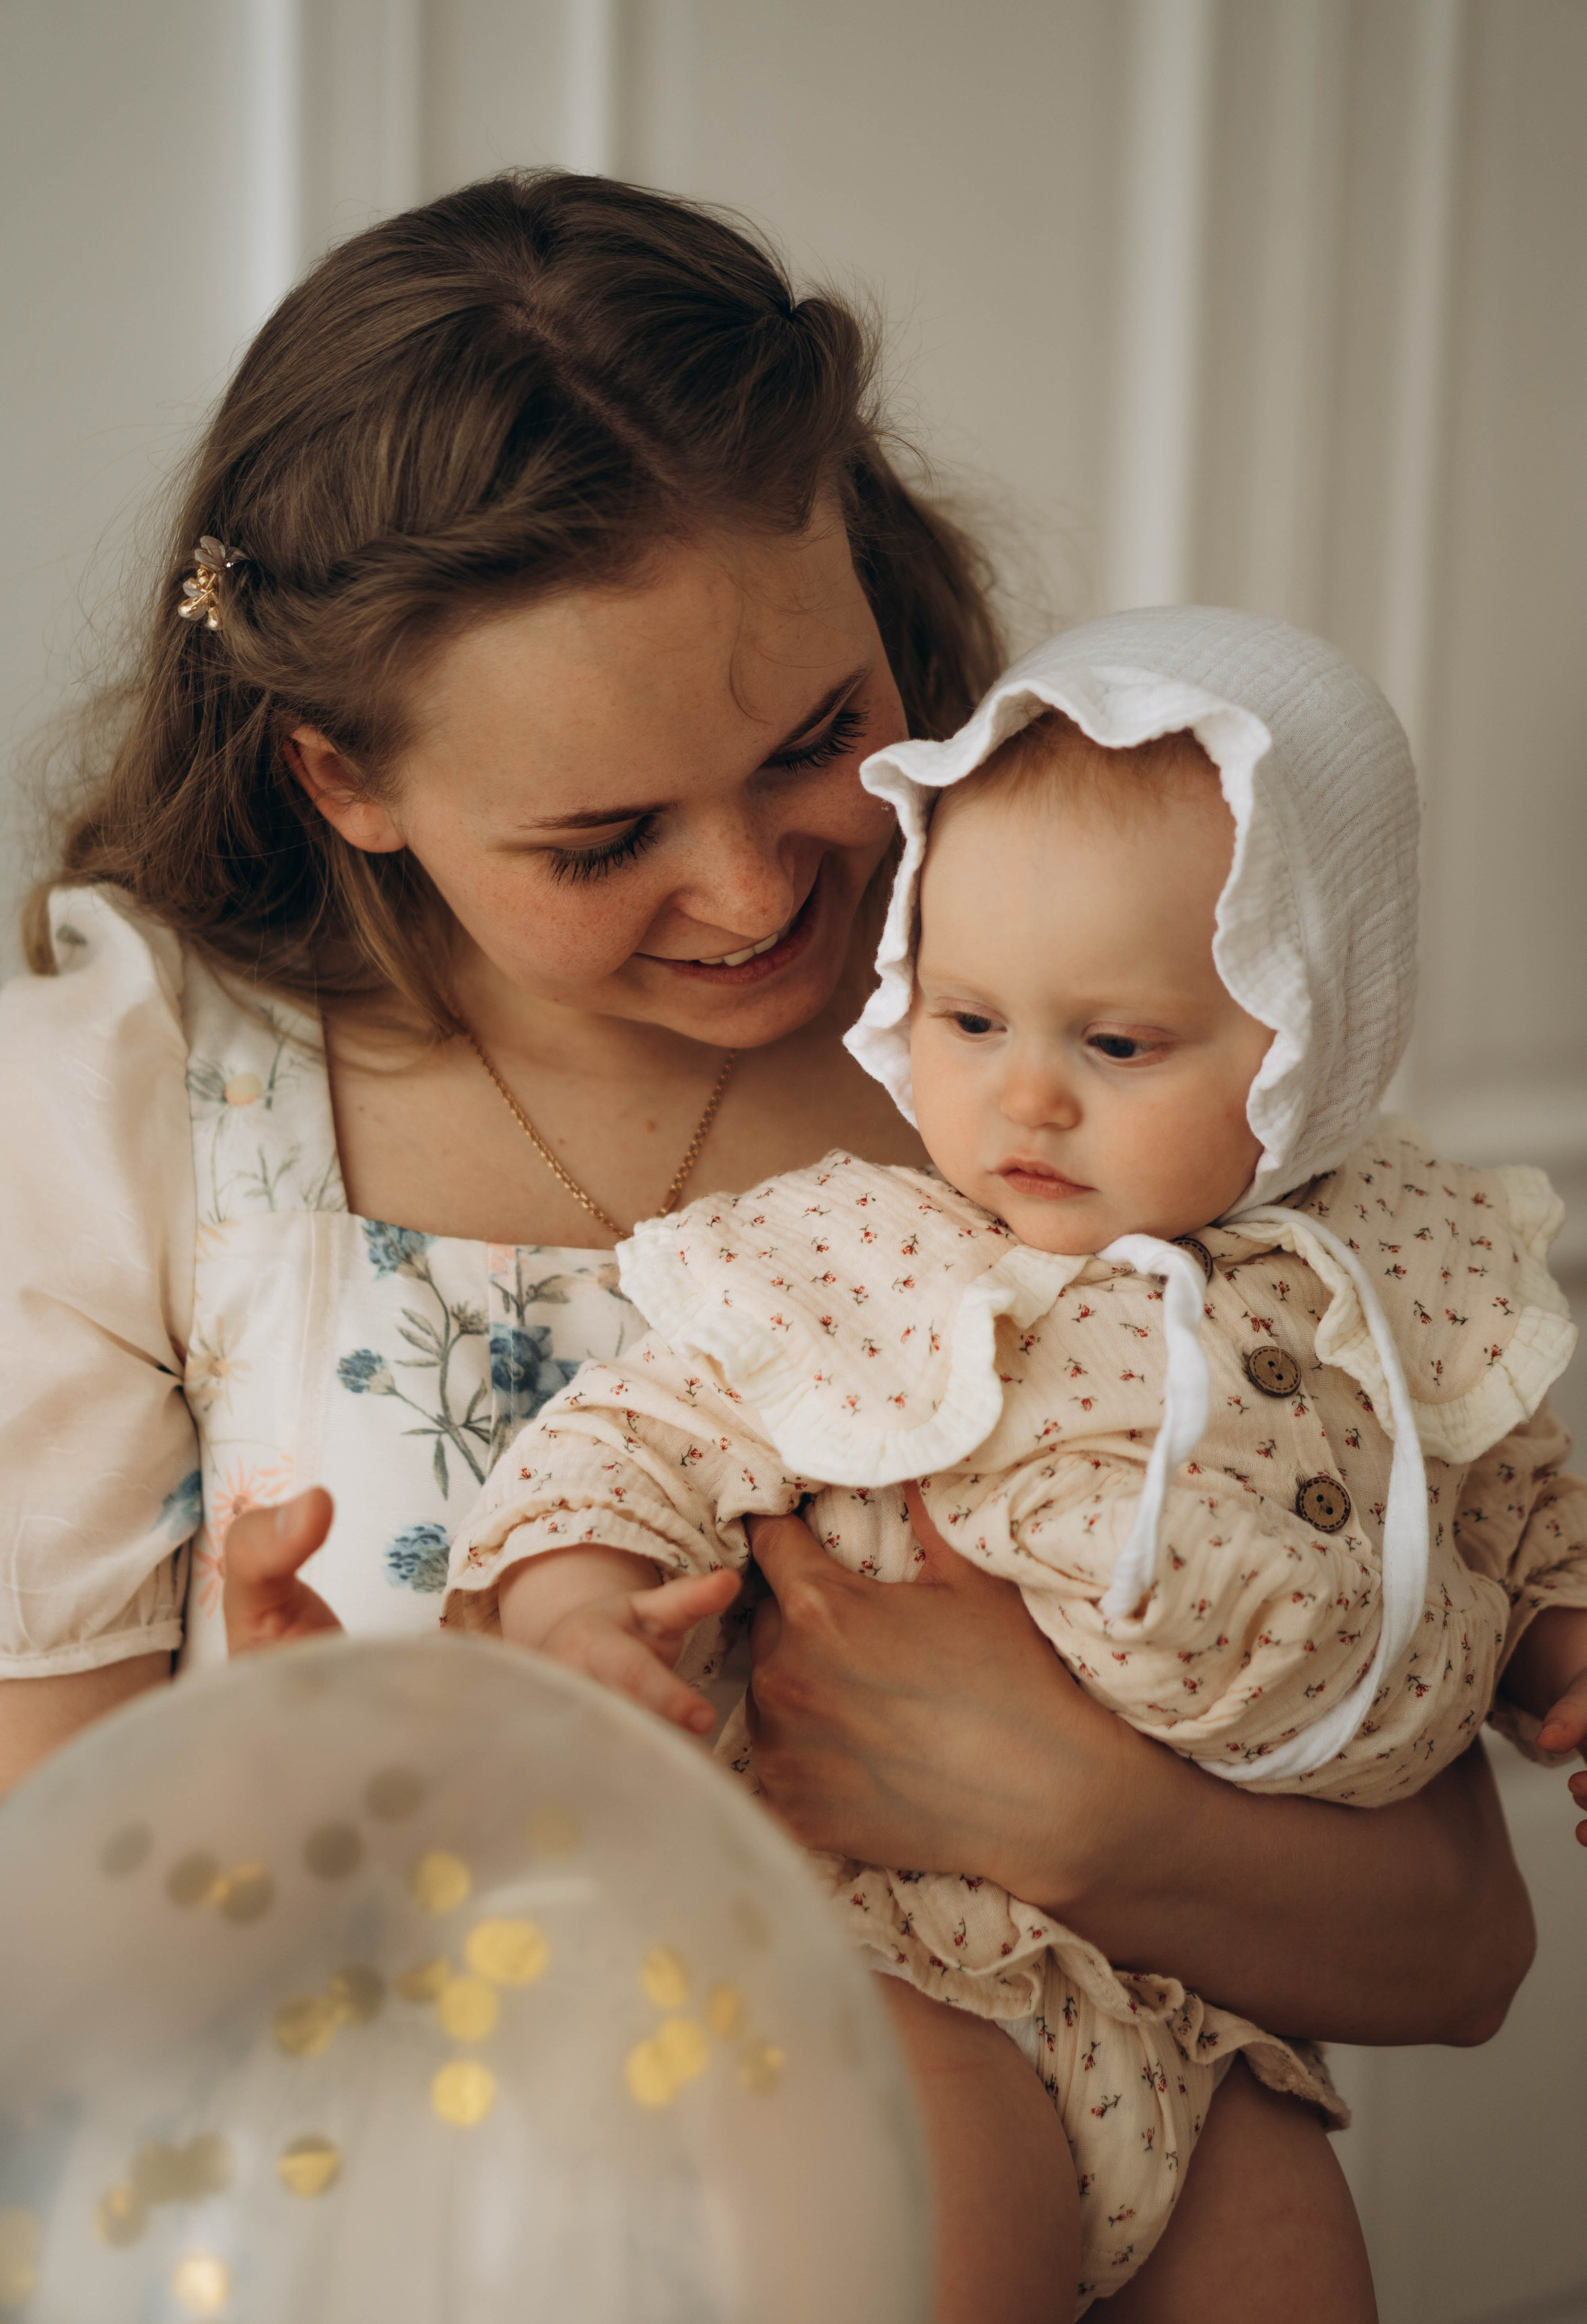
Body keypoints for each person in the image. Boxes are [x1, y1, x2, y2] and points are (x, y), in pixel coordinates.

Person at [0, 172, 1545, 2324]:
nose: (753, 893)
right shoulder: (134, 1115)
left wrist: (1063, 1803)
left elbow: (1463, 1952)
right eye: (602, 837)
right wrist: (281, 1799)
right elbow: (49, 2011)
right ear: (345, 780)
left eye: (818, 737)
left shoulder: (1087, 1058)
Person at [443, 609, 1587, 2316]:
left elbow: (1513, 1496)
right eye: (970, 1023)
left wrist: (1568, 1652)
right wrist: (569, 1608)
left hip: (1207, 2013)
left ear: (1320, 1038)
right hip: (894, 1958)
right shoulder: (875, 1250)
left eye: (1114, 1046)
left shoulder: (1402, 1260)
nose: (1026, 1103)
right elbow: (636, 1432)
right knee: (942, 2257)